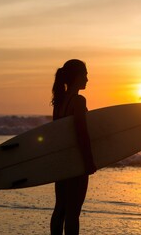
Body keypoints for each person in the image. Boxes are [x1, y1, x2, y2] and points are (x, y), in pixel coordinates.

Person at [50, 59, 97, 235]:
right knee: (73, 213)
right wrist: (88, 161)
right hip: (76, 162)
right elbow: (81, 133)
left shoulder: (59, 102)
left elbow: (56, 134)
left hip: (62, 162)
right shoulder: (78, 100)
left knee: (60, 209)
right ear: (77, 77)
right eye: (85, 75)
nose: (87, 79)